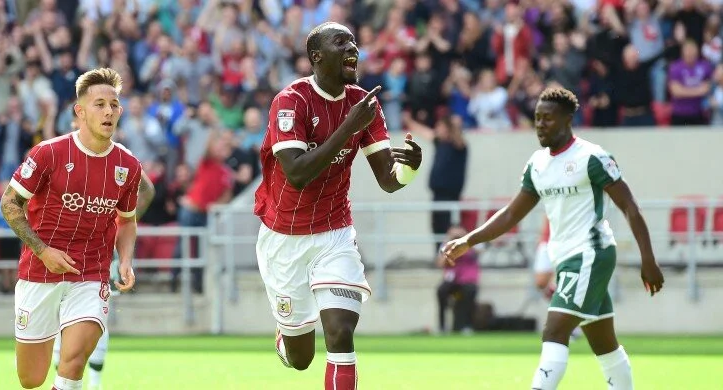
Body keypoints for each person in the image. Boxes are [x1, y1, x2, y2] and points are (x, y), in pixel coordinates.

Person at [442, 87, 664, 390]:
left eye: (548, 118)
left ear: (568, 119)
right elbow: (510, 215)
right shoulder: (537, 164)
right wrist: (469, 240)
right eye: (537, 118)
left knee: (554, 330)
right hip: (566, 258)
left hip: (590, 253)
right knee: (604, 344)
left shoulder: (591, 157)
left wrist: (648, 260)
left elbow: (630, 208)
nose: (540, 124)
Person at [254, 22, 423, 390]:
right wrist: (347, 128)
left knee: (340, 334)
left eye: (354, 42)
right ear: (317, 56)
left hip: (335, 235)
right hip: (284, 239)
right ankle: (288, 337)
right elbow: (297, 173)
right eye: (341, 42)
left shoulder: (364, 104)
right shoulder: (291, 101)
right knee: (301, 360)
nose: (353, 48)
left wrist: (410, 170)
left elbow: (388, 180)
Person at [1, 68, 143, 390]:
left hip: (91, 273)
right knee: (30, 378)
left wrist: (124, 261)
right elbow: (9, 204)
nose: (109, 111)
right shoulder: (48, 153)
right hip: (40, 271)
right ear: (80, 111)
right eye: (100, 104)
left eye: (114, 104)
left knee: (74, 360)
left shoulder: (128, 166)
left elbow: (127, 219)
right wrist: (42, 250)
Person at [50, 111, 157, 390]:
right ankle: (63, 373)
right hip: (61, 246)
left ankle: (94, 381)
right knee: (58, 312)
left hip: (98, 249)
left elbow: (146, 190)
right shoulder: (58, 151)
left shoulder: (119, 155)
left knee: (95, 312)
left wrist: (123, 223)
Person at [435, 225, 479, 335]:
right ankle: (442, 327)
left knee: (470, 291)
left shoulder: (471, 244)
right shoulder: (446, 246)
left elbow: (476, 254)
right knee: (441, 291)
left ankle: (467, 326)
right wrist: (449, 246)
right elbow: (440, 264)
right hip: (452, 281)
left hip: (467, 281)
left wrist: (464, 241)